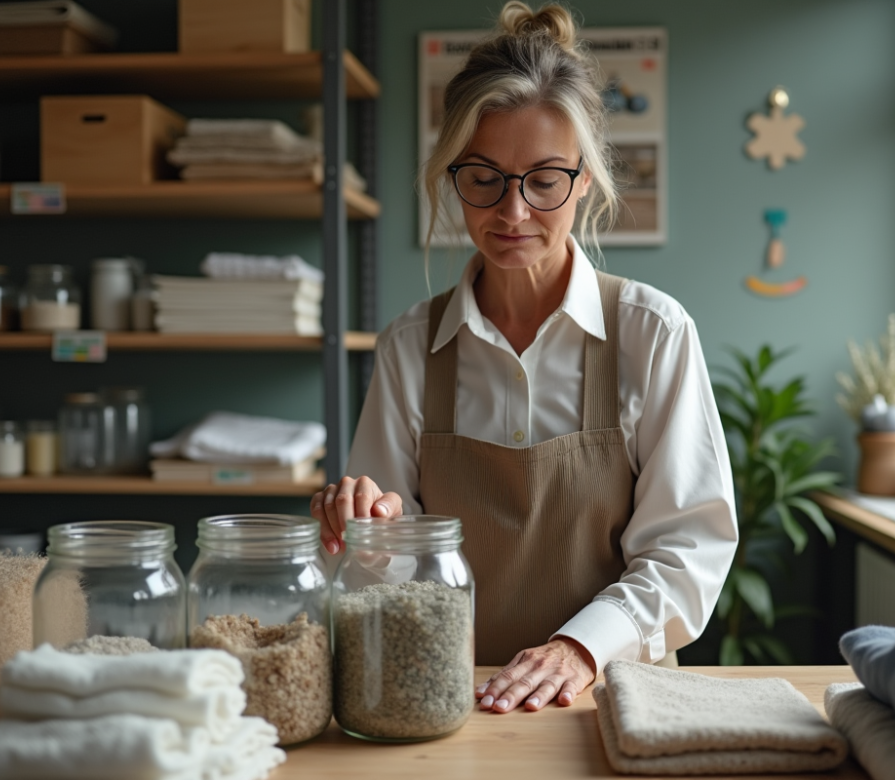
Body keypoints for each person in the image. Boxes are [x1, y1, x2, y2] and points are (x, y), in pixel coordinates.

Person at [312, 0, 736, 714]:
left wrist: (579, 648)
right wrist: (368, 535)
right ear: (451, 176)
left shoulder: (652, 334)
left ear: (587, 181)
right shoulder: (410, 346)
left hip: (617, 701)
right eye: (483, 177)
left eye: (544, 180)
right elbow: (379, 569)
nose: (512, 213)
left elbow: (687, 549)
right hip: (446, 701)